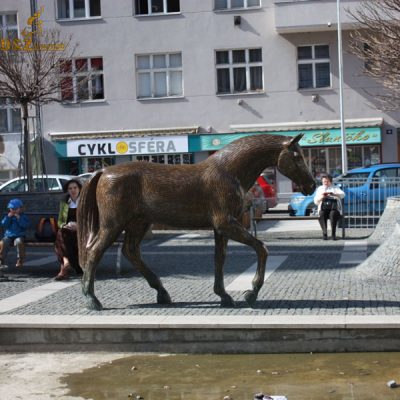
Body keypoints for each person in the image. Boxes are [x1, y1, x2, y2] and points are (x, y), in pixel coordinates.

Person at [54, 179, 83, 280]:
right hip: (68, 230)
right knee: (61, 233)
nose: (73, 190)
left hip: (83, 230)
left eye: (75, 188)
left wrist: (78, 225)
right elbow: (61, 220)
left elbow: (90, 219)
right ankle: (66, 263)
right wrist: (64, 225)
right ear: (67, 190)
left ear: (79, 188)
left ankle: (64, 268)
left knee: (62, 237)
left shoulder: (84, 200)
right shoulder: (65, 201)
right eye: (70, 188)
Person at [0, 198, 30, 268]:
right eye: (11, 209)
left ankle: (20, 259)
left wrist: (19, 218)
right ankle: (1, 259)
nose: (13, 211)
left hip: (19, 235)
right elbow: (3, 224)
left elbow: (25, 225)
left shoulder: (23, 216)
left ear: (20, 209)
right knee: (3, 242)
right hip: (9, 235)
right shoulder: (8, 216)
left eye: (15, 209)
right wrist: (8, 218)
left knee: (19, 242)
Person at [314, 174, 345, 240]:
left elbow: (343, 194)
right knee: (321, 214)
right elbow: (315, 201)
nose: (325, 183)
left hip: (334, 208)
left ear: (330, 181)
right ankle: (324, 233)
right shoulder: (320, 189)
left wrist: (334, 194)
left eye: (327, 181)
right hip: (323, 208)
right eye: (324, 181)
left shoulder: (335, 188)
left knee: (333, 214)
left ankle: (333, 234)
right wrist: (322, 197)